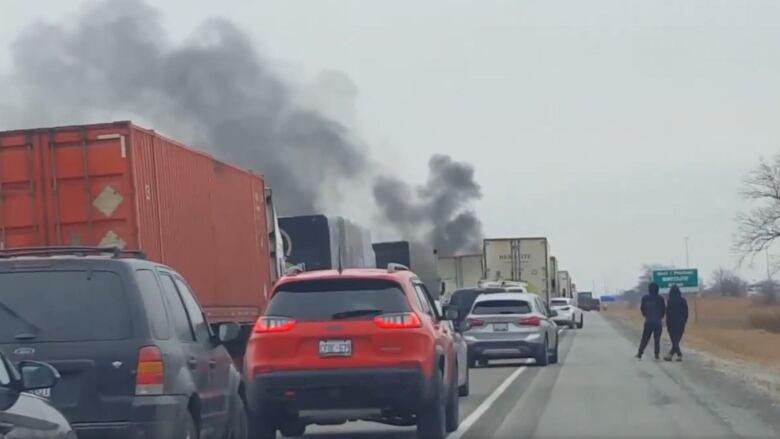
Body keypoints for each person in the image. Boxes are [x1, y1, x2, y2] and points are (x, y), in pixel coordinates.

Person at [636, 282, 665, 360]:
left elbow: (642, 308)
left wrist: (646, 315)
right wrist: (660, 317)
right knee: (657, 339)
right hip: (658, 322)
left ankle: (640, 353)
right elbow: (663, 310)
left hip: (648, 321)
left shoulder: (645, 298)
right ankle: (656, 355)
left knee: (645, 338)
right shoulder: (660, 298)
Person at [664, 285, 689, 361]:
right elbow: (686, 312)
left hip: (671, 323)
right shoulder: (683, 300)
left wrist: (667, 322)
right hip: (681, 323)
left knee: (674, 340)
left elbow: (667, 313)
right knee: (676, 340)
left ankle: (677, 354)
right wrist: (684, 321)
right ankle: (673, 354)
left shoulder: (669, 301)